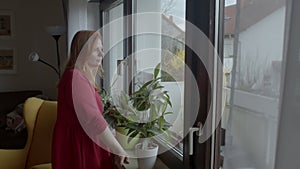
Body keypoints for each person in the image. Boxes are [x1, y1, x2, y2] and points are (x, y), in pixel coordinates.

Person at [52, 30, 129, 169]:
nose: (101, 54)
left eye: (102, 49)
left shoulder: (81, 77)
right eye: (96, 50)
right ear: (82, 52)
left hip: (85, 142)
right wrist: (118, 149)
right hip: (80, 146)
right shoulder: (74, 77)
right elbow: (93, 118)